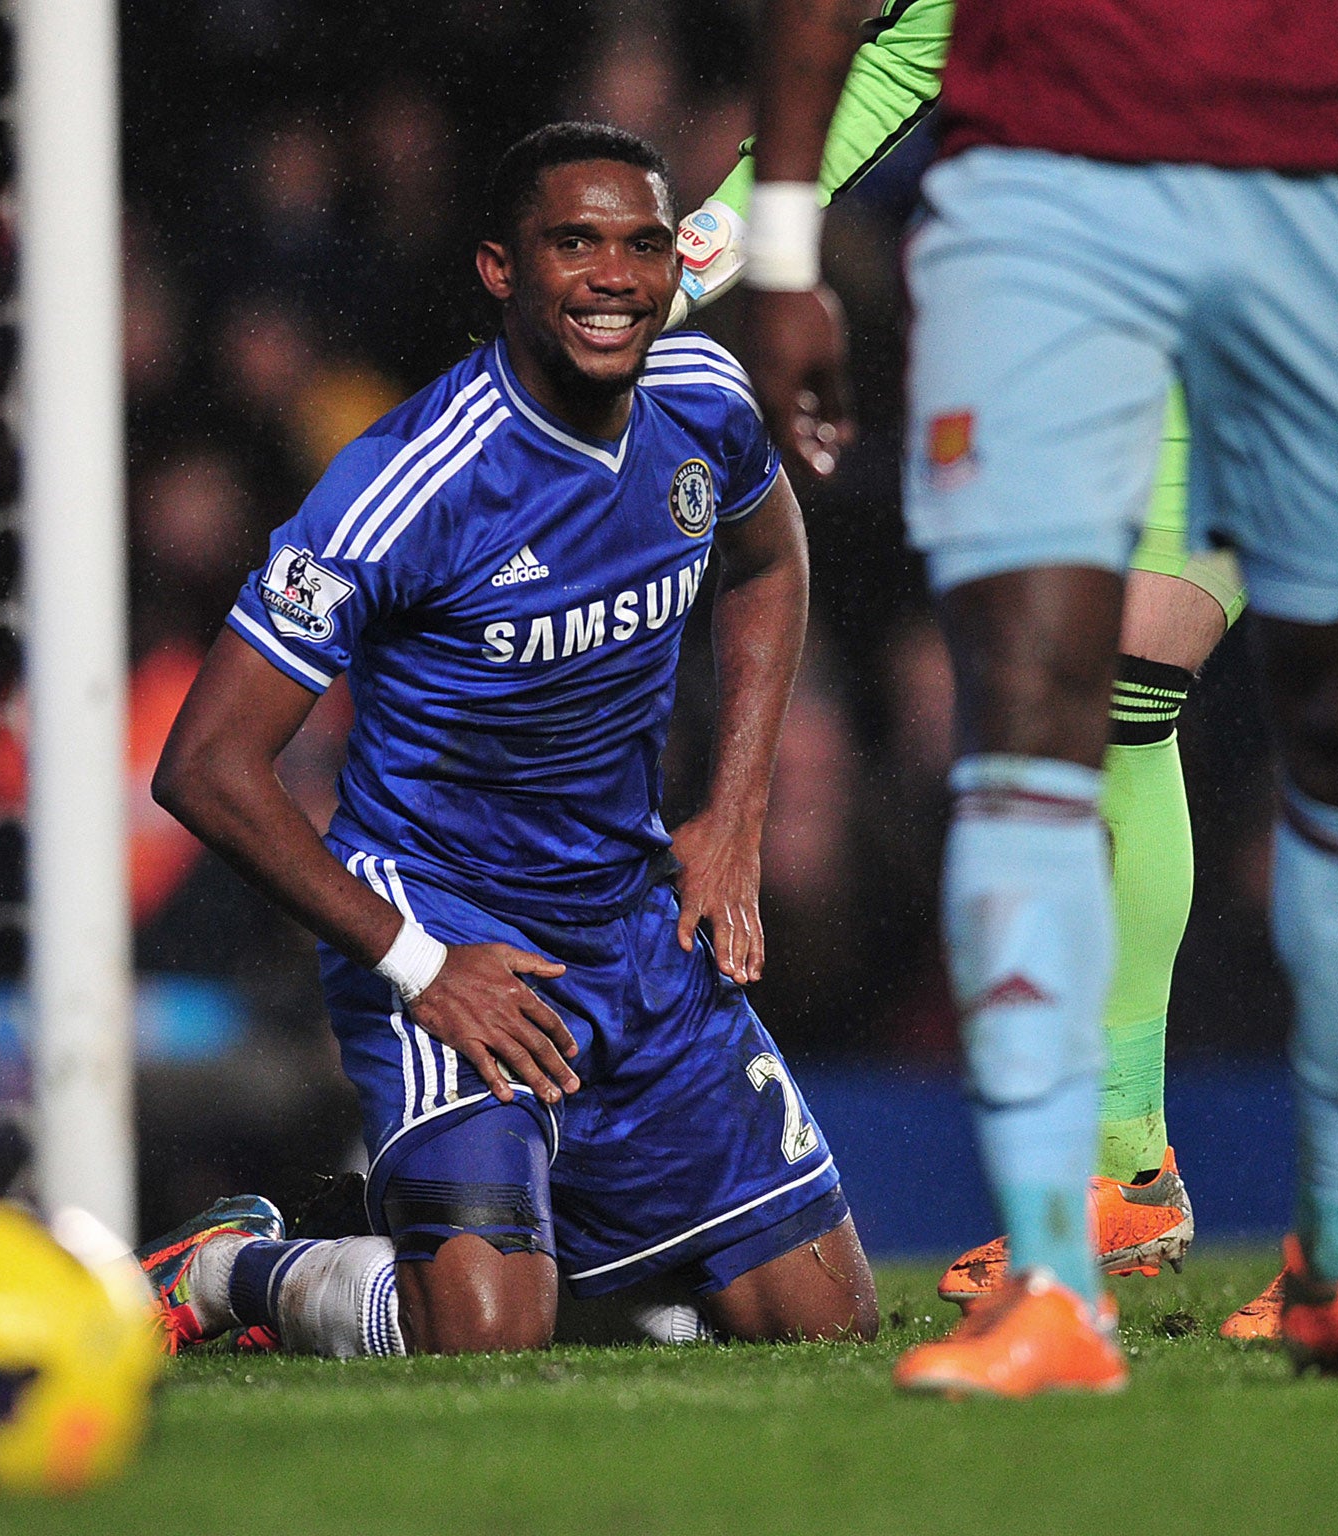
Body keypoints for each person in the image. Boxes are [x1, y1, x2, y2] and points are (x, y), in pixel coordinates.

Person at [674, 0, 1338, 1336]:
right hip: (1204, 258)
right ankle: (1121, 1171)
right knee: (1103, 687)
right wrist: (717, 235)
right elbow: (910, 36)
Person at [134, 122, 878, 1358]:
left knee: (827, 1329)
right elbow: (204, 764)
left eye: (641, 245)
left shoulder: (700, 402)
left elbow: (767, 561)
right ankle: (236, 1273)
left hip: (629, 920)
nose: (612, 277)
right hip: (446, 926)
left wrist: (735, 807)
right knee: (483, 1338)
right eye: (572, 245)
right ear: (499, 271)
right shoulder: (407, 482)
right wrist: (422, 964)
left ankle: (603, 1286)